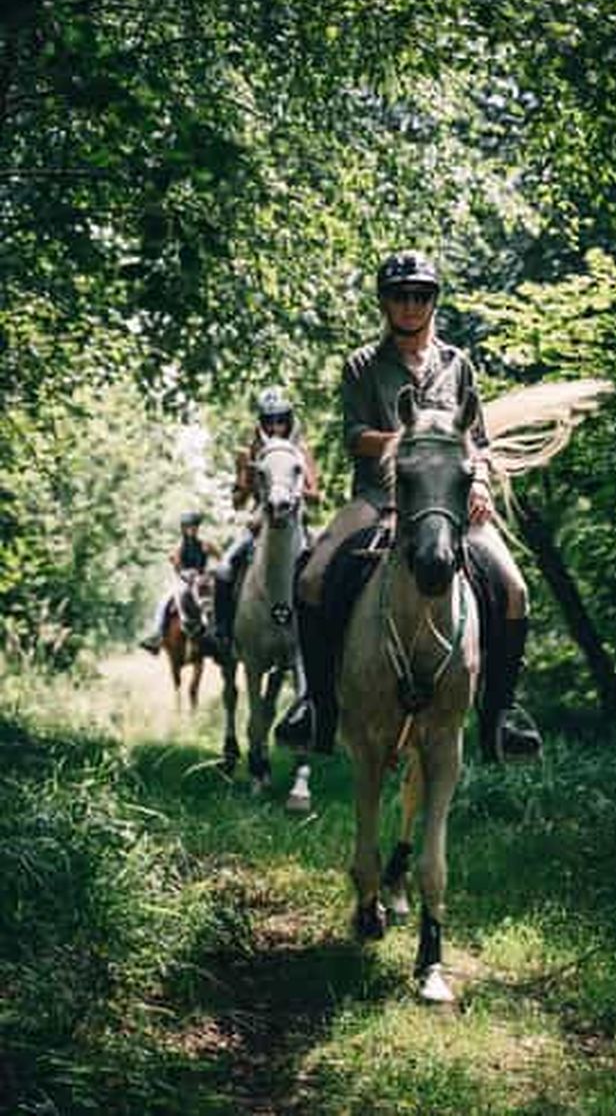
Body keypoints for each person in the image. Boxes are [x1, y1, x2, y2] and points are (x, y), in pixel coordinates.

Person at [277, 248, 542, 763]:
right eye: (400, 296)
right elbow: (355, 437)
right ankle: (317, 706)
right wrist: (409, 443)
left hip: (448, 503)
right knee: (311, 579)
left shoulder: (457, 364)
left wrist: (481, 482)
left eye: (420, 295)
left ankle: (501, 716)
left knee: (515, 590)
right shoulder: (361, 365)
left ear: (433, 301)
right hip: (379, 498)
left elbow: (478, 442)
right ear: (385, 303)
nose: (410, 305)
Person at [211, 387, 321, 661]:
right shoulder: (250, 451)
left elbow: (316, 496)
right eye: (269, 421)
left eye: (280, 420)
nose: (275, 427)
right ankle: (223, 634)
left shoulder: (301, 450)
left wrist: (290, 493)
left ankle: (328, 633)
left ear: (289, 419)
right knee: (224, 568)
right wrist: (248, 478)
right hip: (261, 522)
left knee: (328, 569)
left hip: (296, 521)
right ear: (261, 422)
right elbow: (238, 500)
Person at [140, 512, 221, 654]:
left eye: (195, 526)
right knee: (165, 601)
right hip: (184, 581)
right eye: (189, 526)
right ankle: (157, 635)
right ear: (184, 529)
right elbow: (177, 569)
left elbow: (221, 558)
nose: (193, 529)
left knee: (216, 598)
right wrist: (186, 574)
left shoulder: (206, 545)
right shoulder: (178, 548)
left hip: (202, 580)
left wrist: (211, 572)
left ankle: (220, 633)